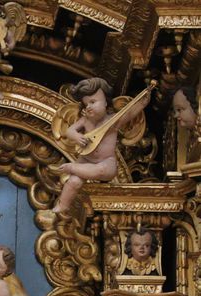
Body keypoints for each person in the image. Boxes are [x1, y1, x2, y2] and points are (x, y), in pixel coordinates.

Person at [52, 77, 151, 216]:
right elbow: (69, 131)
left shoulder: (113, 121)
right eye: (86, 104)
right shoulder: (85, 120)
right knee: (73, 182)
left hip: (106, 161)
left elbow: (129, 114)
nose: (89, 106)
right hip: (86, 159)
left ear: (105, 102)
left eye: (93, 102)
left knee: (103, 170)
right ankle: (63, 205)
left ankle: (72, 168)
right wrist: (76, 136)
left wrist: (142, 103)